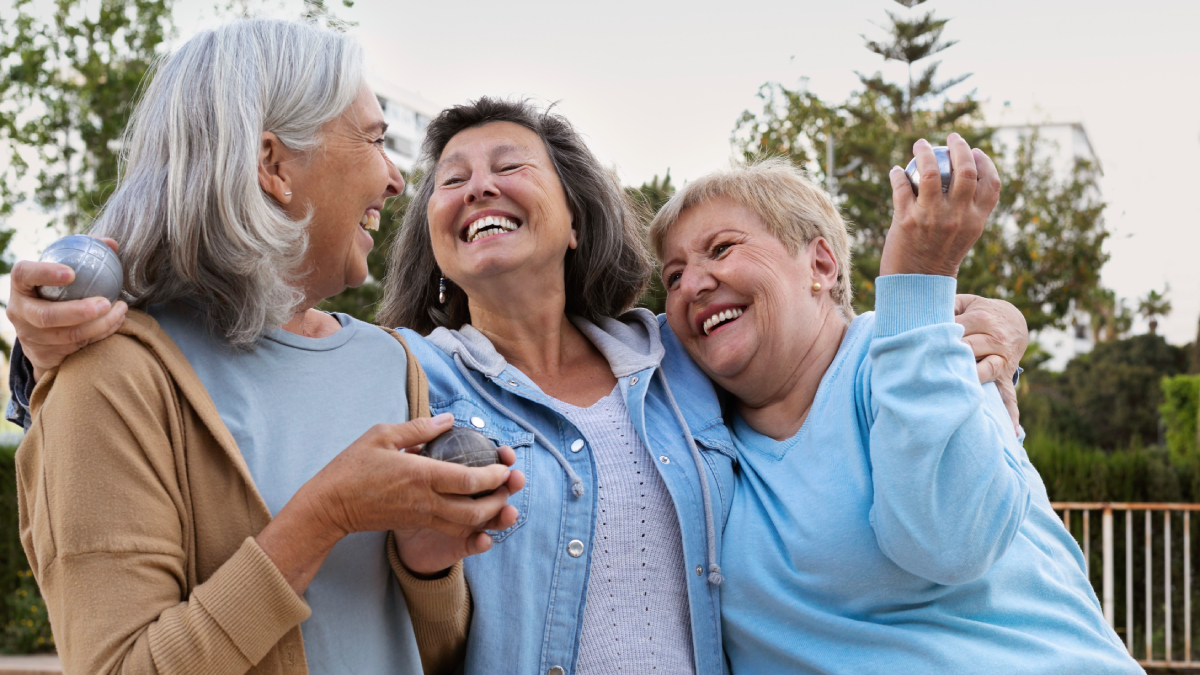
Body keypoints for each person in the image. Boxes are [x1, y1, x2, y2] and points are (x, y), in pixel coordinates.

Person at [10, 98, 1028, 674]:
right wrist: (48, 336)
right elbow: (238, 347)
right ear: (437, 243)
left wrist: (977, 322)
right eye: (450, 179)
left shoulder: (676, 352)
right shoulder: (401, 373)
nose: (476, 187)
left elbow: (812, 335)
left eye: (509, 166)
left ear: (575, 215)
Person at [7, 19, 522, 675]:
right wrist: (326, 515)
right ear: (273, 164)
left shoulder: (389, 362)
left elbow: (437, 654)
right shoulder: (112, 377)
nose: (396, 180)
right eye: (373, 140)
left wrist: (427, 561)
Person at [649, 145, 1142, 673]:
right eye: (673, 277)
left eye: (722, 249)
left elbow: (954, 544)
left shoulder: (927, 348)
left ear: (819, 263)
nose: (692, 286)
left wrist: (920, 279)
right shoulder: (690, 428)